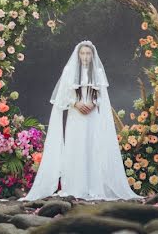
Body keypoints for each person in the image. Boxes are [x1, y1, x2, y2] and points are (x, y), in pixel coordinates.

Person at [21, 40, 140, 200]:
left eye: (88, 53)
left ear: (92, 55)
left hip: (92, 117)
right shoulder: (70, 70)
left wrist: (93, 103)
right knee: (76, 146)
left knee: (92, 146)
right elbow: (61, 95)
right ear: (78, 55)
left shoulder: (97, 71)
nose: (85, 56)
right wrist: (75, 103)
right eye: (82, 53)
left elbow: (103, 96)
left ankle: (94, 185)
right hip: (76, 116)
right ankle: (75, 186)